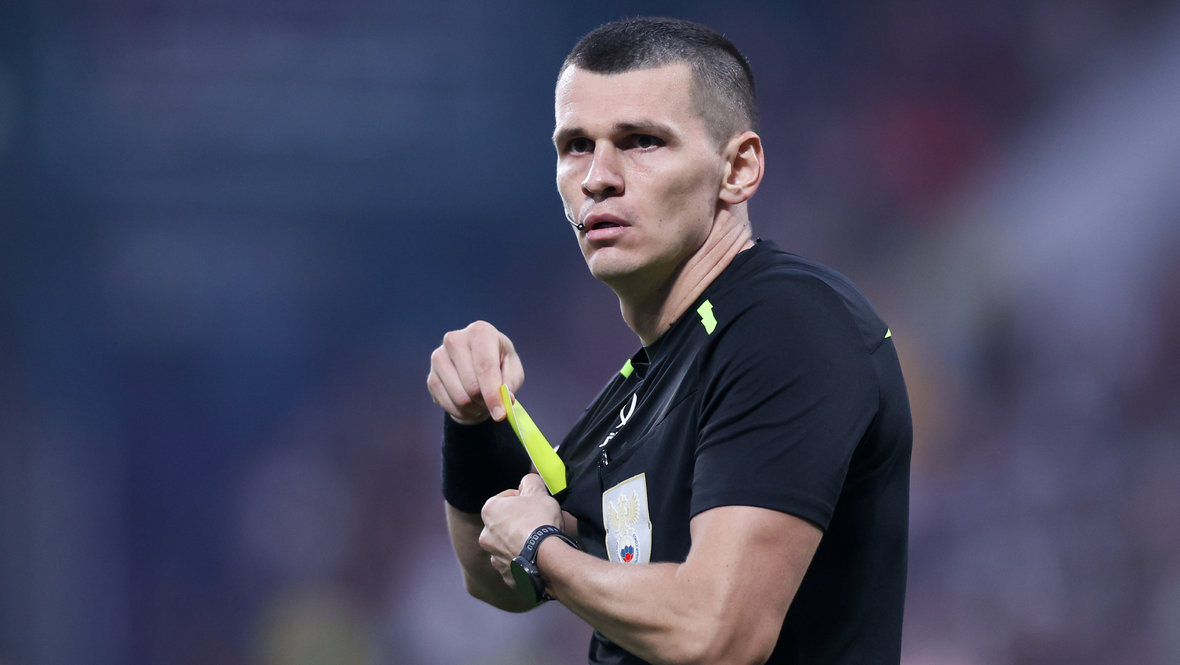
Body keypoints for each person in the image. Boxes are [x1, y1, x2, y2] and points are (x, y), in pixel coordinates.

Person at [426, 16, 912, 665]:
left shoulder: (790, 323)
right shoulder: (643, 386)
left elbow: (718, 633)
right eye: (576, 146)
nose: (598, 177)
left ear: (738, 168)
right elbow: (498, 583)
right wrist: (473, 422)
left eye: (642, 141)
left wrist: (541, 547)